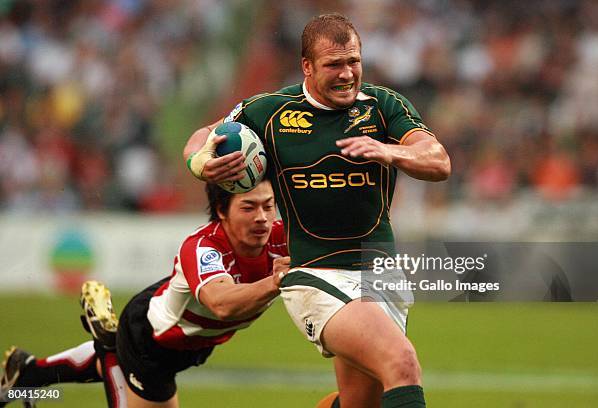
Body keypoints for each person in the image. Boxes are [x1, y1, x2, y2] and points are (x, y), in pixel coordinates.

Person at [184, 13, 451, 408]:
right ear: (307, 66)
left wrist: (388, 151)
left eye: (354, 62)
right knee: (402, 363)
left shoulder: (382, 106)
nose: (347, 74)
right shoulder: (271, 112)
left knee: (360, 402)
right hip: (316, 274)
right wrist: (199, 162)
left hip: (380, 275)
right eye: (334, 64)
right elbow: (205, 136)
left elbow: (438, 161)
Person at [1, 180, 290, 407]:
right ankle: (111, 345)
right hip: (150, 343)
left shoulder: (283, 237)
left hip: (193, 340)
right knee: (124, 359)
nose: (262, 218)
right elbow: (222, 304)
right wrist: (277, 281)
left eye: (268, 206)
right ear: (221, 210)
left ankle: (31, 372)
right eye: (249, 208)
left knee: (111, 356)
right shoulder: (203, 246)